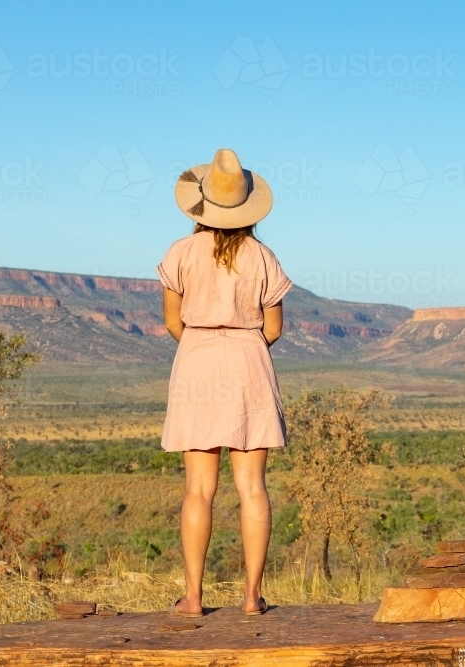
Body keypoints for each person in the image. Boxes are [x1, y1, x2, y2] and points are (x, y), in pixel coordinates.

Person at [157, 148, 291, 617]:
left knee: (198, 489)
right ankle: (252, 597)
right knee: (252, 488)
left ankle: (193, 598)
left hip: (197, 358)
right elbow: (273, 328)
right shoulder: (261, 256)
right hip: (249, 361)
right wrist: (244, 348)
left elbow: (173, 321)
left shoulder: (181, 252)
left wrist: (202, 346)